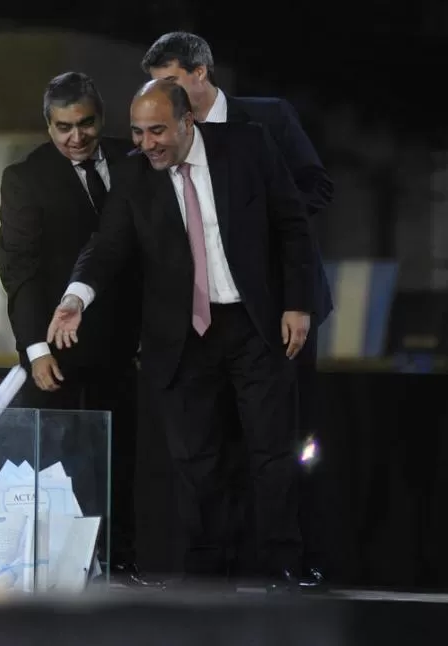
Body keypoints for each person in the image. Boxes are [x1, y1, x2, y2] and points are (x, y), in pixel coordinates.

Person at [48, 79, 315, 589]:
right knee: (198, 462)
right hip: (182, 336)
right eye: (137, 132)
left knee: (271, 452)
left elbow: (292, 223)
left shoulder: (248, 146)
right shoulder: (133, 174)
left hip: (255, 324)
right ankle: (208, 581)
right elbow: (106, 247)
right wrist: (76, 297)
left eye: (157, 131)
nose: (147, 143)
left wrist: (297, 303)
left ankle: (284, 569)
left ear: (187, 121)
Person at [142, 32, 332, 586]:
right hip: (204, 317)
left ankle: (298, 561)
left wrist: (262, 233)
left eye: (172, 82)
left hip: (277, 309)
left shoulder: (265, 120)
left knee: (289, 442)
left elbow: (315, 189)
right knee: (210, 447)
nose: (162, 95)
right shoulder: (166, 142)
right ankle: (224, 568)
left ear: (202, 73)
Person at [0, 71, 156, 587]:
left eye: (85, 124)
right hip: (61, 354)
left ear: (101, 118)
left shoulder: (136, 159)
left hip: (136, 346)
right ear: (48, 126)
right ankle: (66, 572)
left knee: (131, 462)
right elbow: (18, 271)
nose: (76, 137)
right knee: (67, 466)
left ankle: (127, 565)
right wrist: (36, 349)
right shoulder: (26, 178)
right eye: (63, 126)